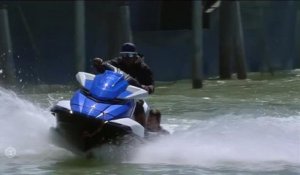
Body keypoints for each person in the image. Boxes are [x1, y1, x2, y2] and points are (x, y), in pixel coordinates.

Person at [93, 42, 155, 127]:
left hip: (132, 96)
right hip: (115, 92)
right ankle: (95, 117)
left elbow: (151, 85)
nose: (127, 58)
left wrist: (147, 88)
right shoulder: (117, 62)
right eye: (124, 55)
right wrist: (99, 64)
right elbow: (104, 67)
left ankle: (141, 132)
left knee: (139, 107)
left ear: (135, 55)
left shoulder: (143, 68)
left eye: (130, 55)